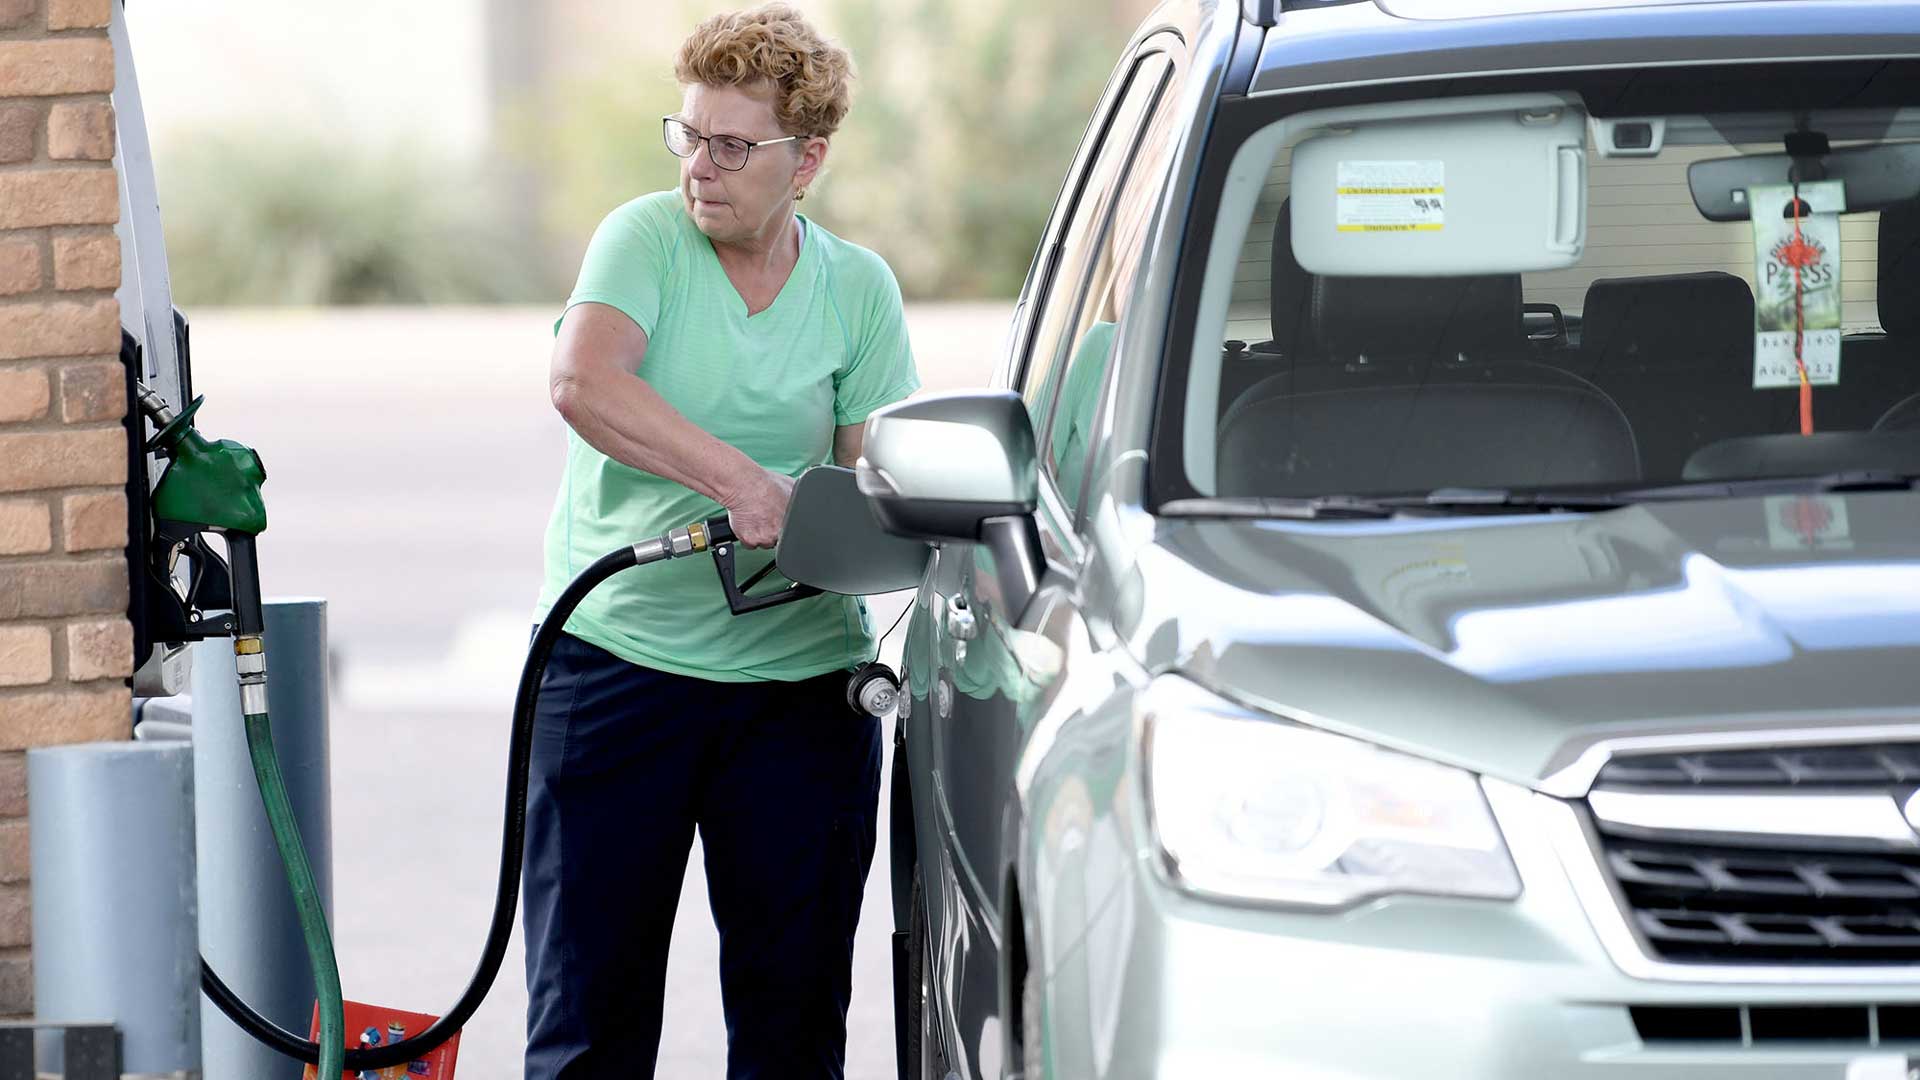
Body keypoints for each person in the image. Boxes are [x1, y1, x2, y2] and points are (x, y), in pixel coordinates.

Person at [521, 6, 919, 1077]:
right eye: (690, 134)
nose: (702, 165)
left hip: (800, 692)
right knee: (587, 1021)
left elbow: (872, 474)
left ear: (809, 159)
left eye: (734, 144)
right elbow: (583, 381)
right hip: (617, 668)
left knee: (792, 1022)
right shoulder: (646, 240)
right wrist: (741, 482)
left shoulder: (857, 290)